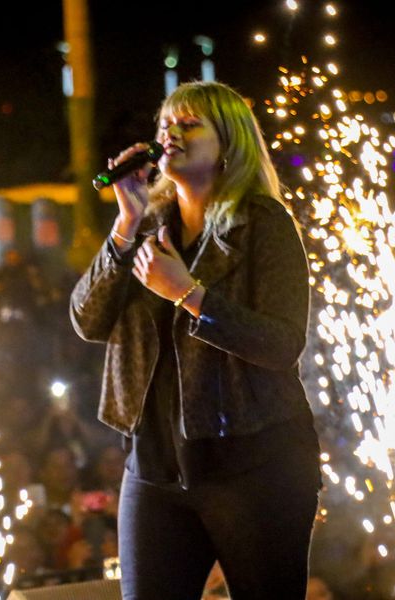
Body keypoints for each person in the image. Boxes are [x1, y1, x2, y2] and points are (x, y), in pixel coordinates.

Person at [70, 81, 322, 599]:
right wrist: (125, 223)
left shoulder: (263, 223)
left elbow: (281, 344)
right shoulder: (145, 226)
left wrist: (189, 294)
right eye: (166, 124)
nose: (171, 134)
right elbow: (86, 320)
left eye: (189, 124)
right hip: (155, 469)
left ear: (228, 144)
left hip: (253, 466)